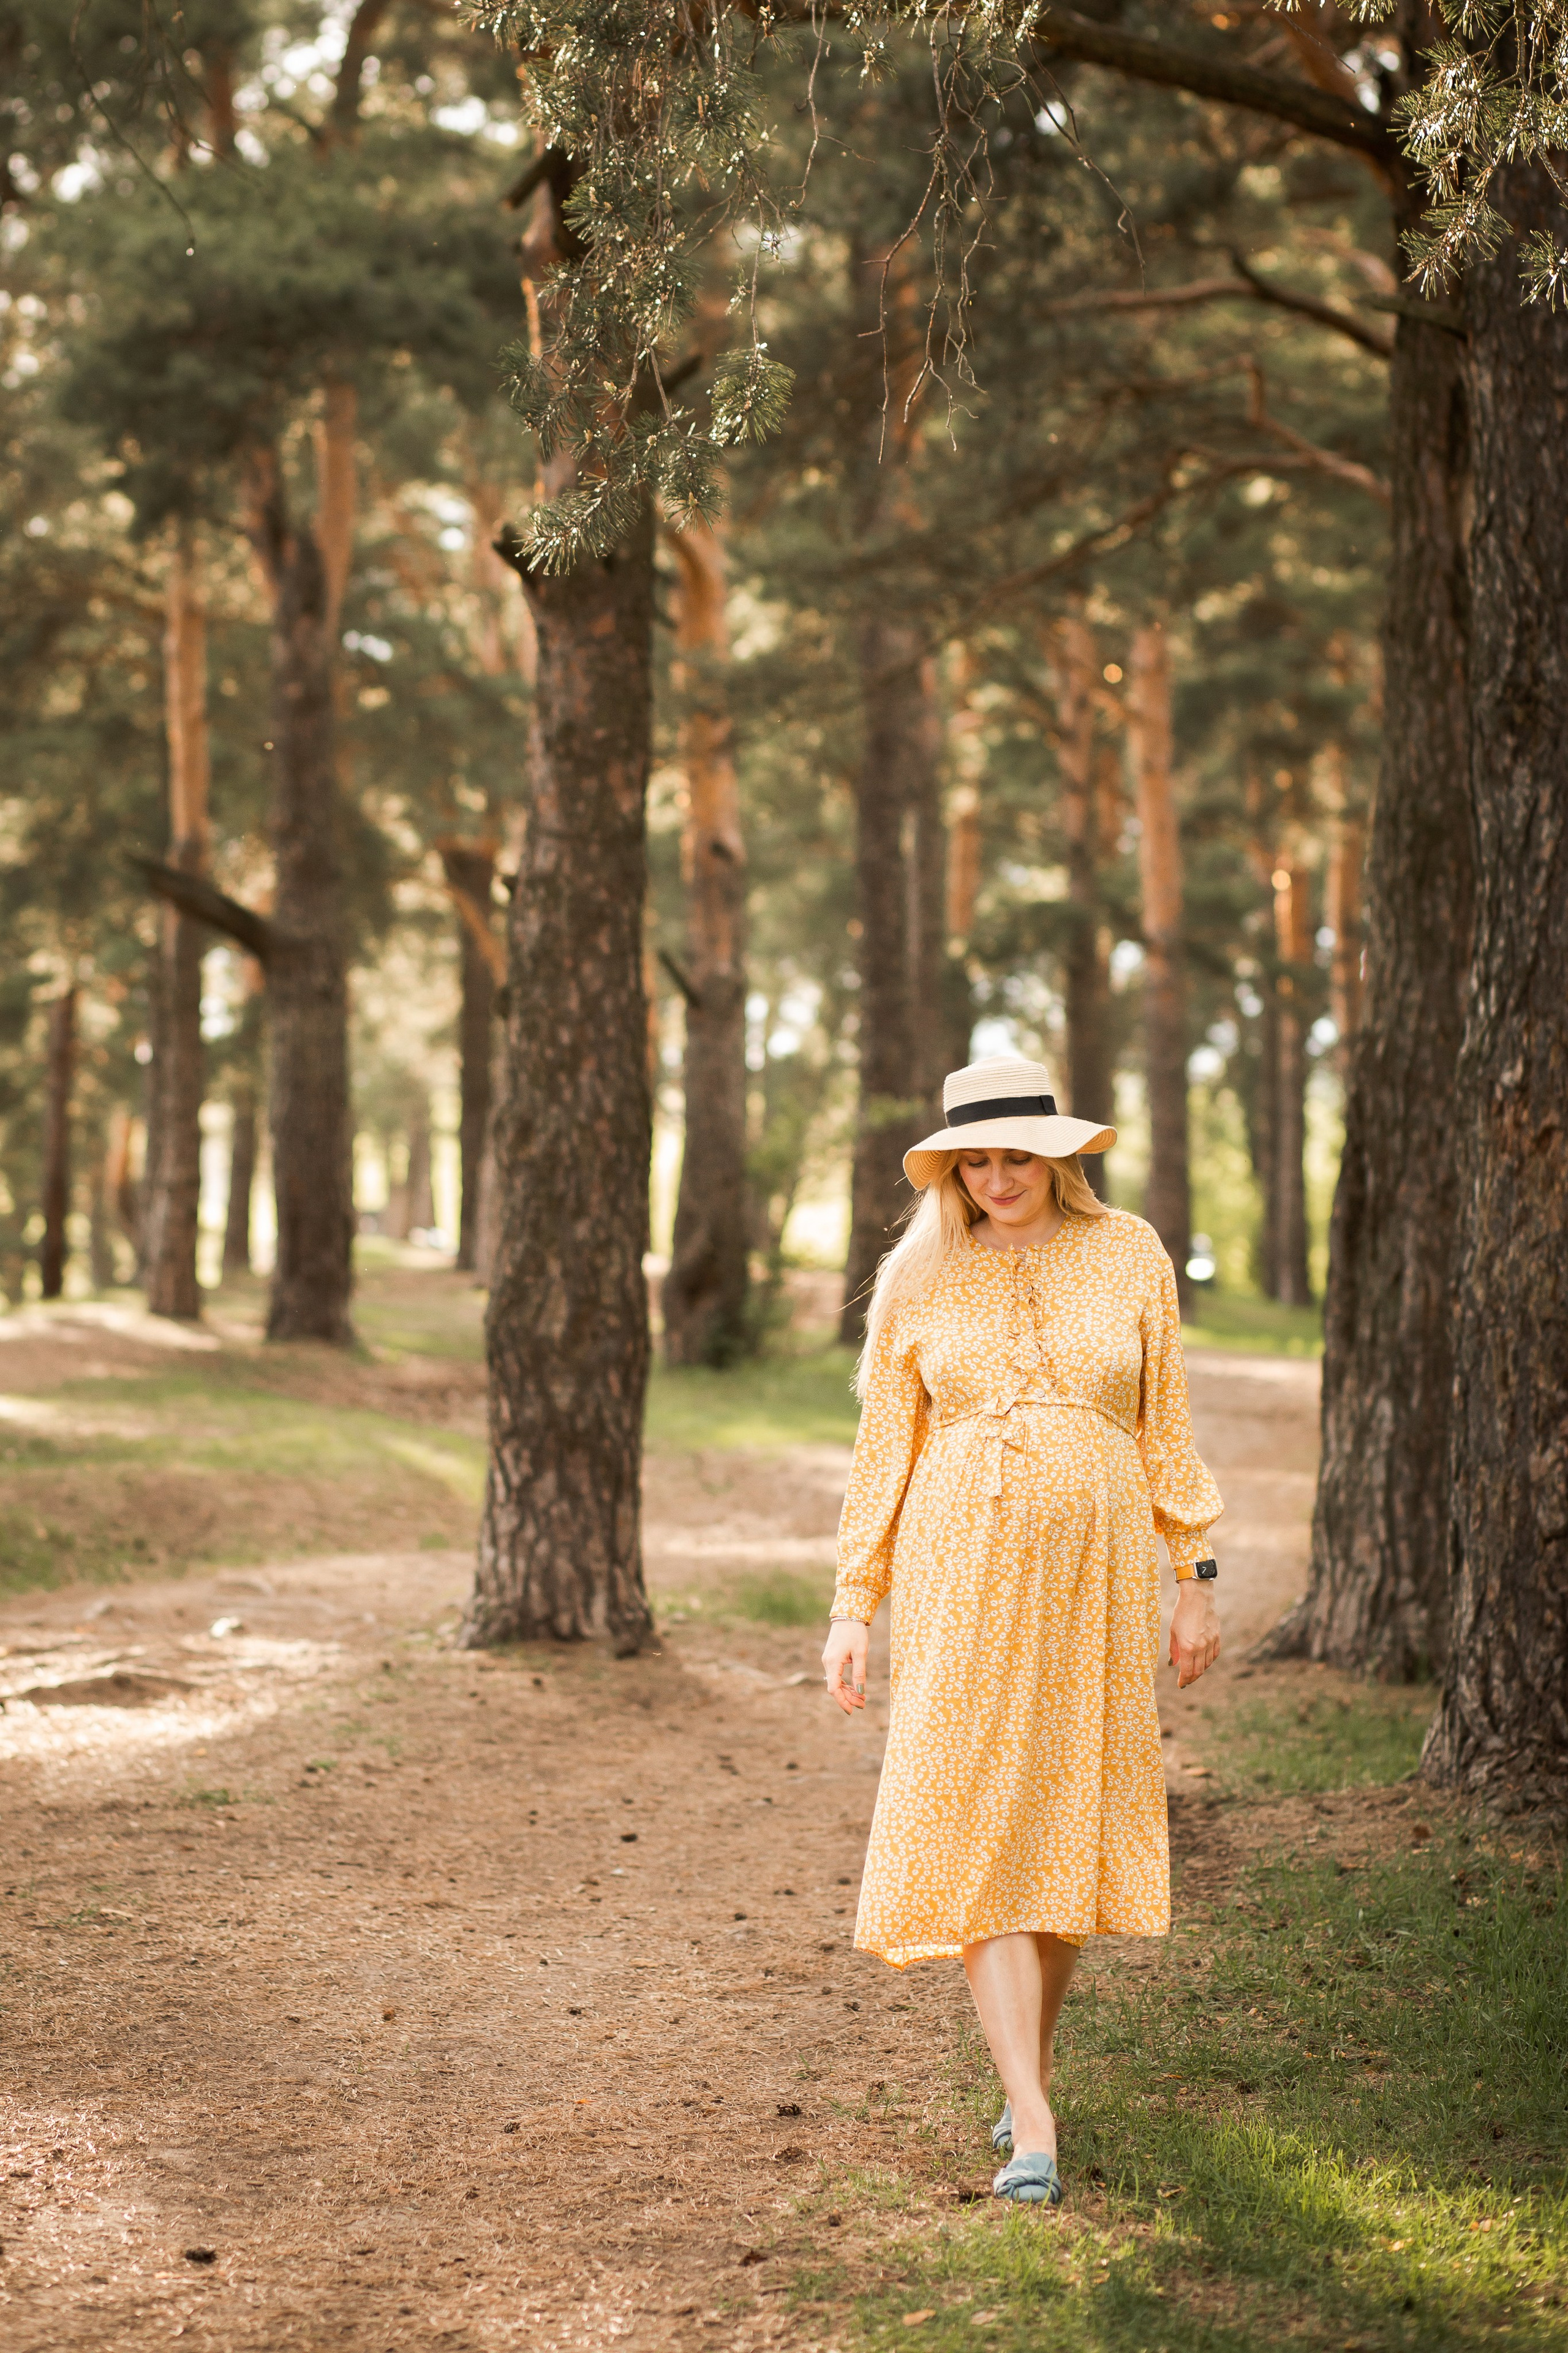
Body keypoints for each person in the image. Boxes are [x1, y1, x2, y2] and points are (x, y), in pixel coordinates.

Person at [821, 1054, 1223, 2206]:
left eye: (1018, 1154)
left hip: (1096, 1579)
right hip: (961, 1570)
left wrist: (1193, 1574)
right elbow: (882, 1453)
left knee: (1065, 1814)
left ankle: (1025, 2068)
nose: (998, 1177)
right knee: (982, 1816)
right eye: (975, 1158)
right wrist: (857, 1604)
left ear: (1059, 1154)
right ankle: (1033, 2122)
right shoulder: (917, 1275)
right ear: (951, 1166)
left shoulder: (1131, 1252)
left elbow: (1166, 1426)